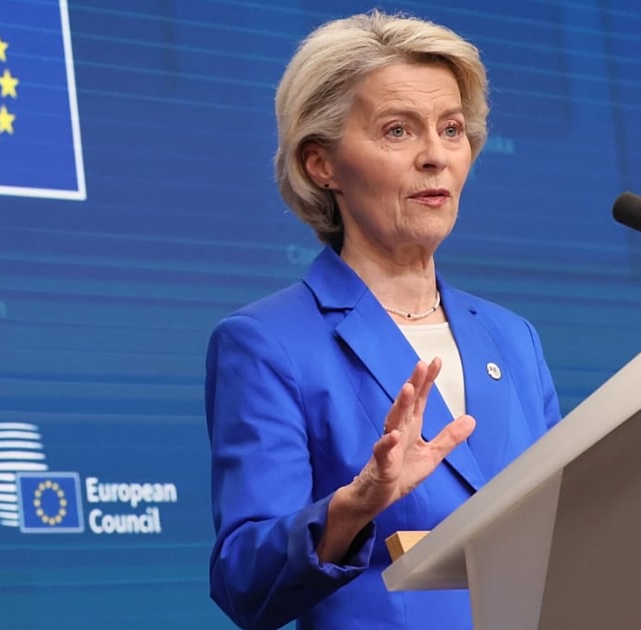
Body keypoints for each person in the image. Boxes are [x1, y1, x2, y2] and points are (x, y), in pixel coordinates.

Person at [204, 10, 562, 630]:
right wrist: (353, 507)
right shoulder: (268, 344)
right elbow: (244, 581)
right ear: (321, 164)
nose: (435, 156)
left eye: (452, 129)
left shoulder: (513, 338)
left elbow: (566, 529)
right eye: (398, 131)